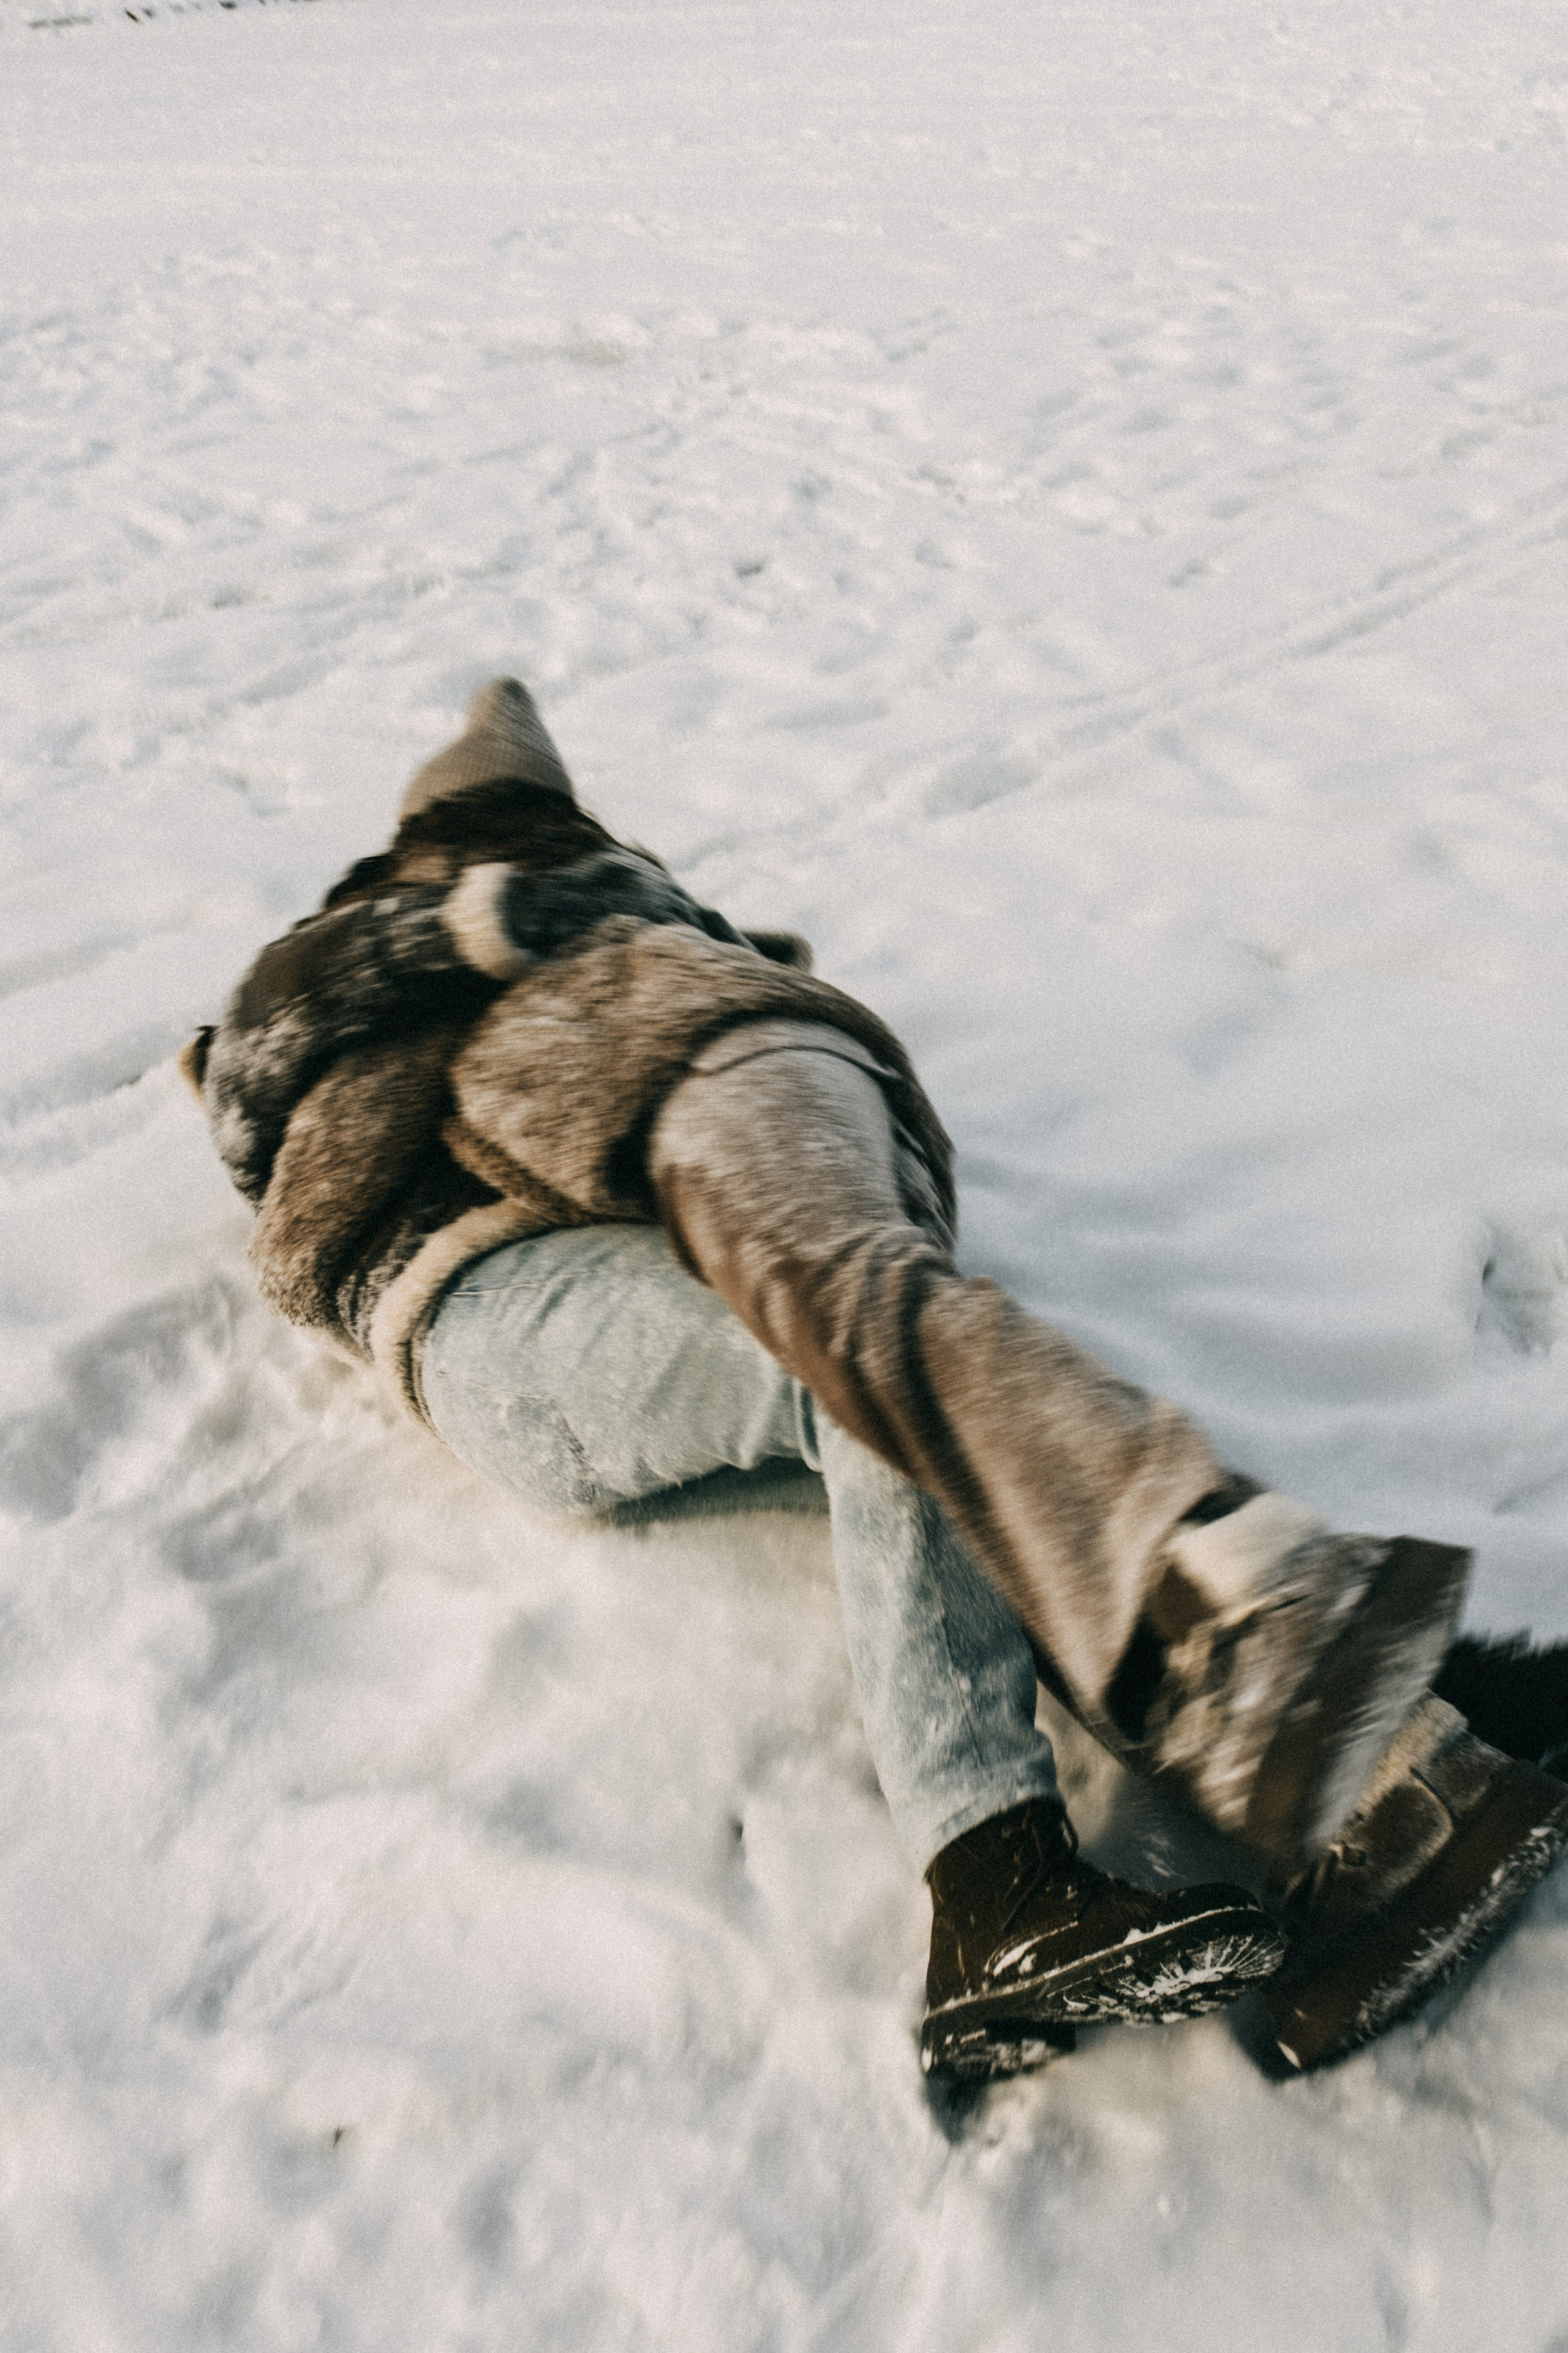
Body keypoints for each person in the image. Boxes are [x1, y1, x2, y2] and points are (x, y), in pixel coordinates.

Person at [181, 678, 1568, 2079]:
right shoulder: (372, 936)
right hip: (474, 1293)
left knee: (944, 1430)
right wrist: (478, 921)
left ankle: (1401, 1763)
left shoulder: (607, 923)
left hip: (596, 1253)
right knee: (865, 1367)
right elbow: (248, 1072)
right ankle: (1015, 1860)